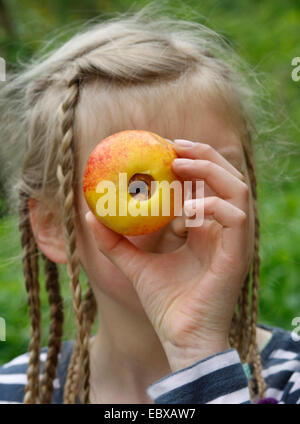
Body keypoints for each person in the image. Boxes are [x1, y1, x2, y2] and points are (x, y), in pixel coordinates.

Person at [0, 6, 299, 404]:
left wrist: (200, 356)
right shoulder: (16, 392)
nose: (181, 219)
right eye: (138, 190)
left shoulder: (289, 381)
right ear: (55, 226)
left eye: (210, 175)